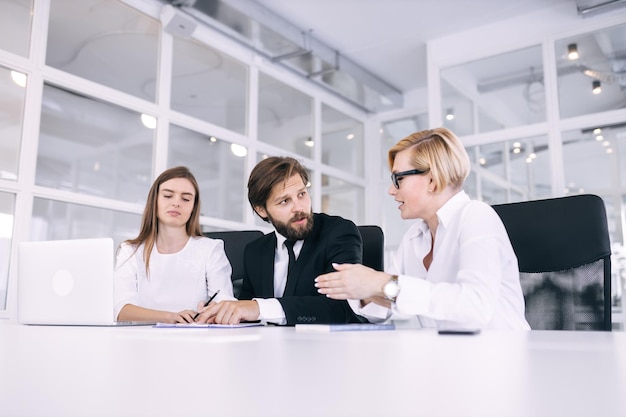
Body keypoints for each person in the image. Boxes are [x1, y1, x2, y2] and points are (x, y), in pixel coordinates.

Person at [315, 128, 530, 330]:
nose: (391, 190)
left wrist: (381, 283)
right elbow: (387, 305)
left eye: (398, 178)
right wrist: (362, 289)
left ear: (432, 180)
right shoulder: (415, 237)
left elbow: (475, 307)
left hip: (500, 358)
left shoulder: (476, 216)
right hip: (447, 357)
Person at [195, 156, 366, 325]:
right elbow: (245, 309)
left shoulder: (339, 232)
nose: (299, 207)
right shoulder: (255, 251)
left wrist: (259, 308)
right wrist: (223, 312)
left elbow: (342, 308)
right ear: (262, 210)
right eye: (284, 201)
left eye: (302, 194)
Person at [114, 166, 234, 323]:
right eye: (168, 196)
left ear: (193, 207)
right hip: (142, 340)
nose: (176, 203)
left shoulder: (211, 249)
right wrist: (170, 317)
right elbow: (120, 309)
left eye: (185, 199)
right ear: (154, 201)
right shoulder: (129, 251)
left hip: (195, 339)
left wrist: (213, 309)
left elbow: (225, 301)